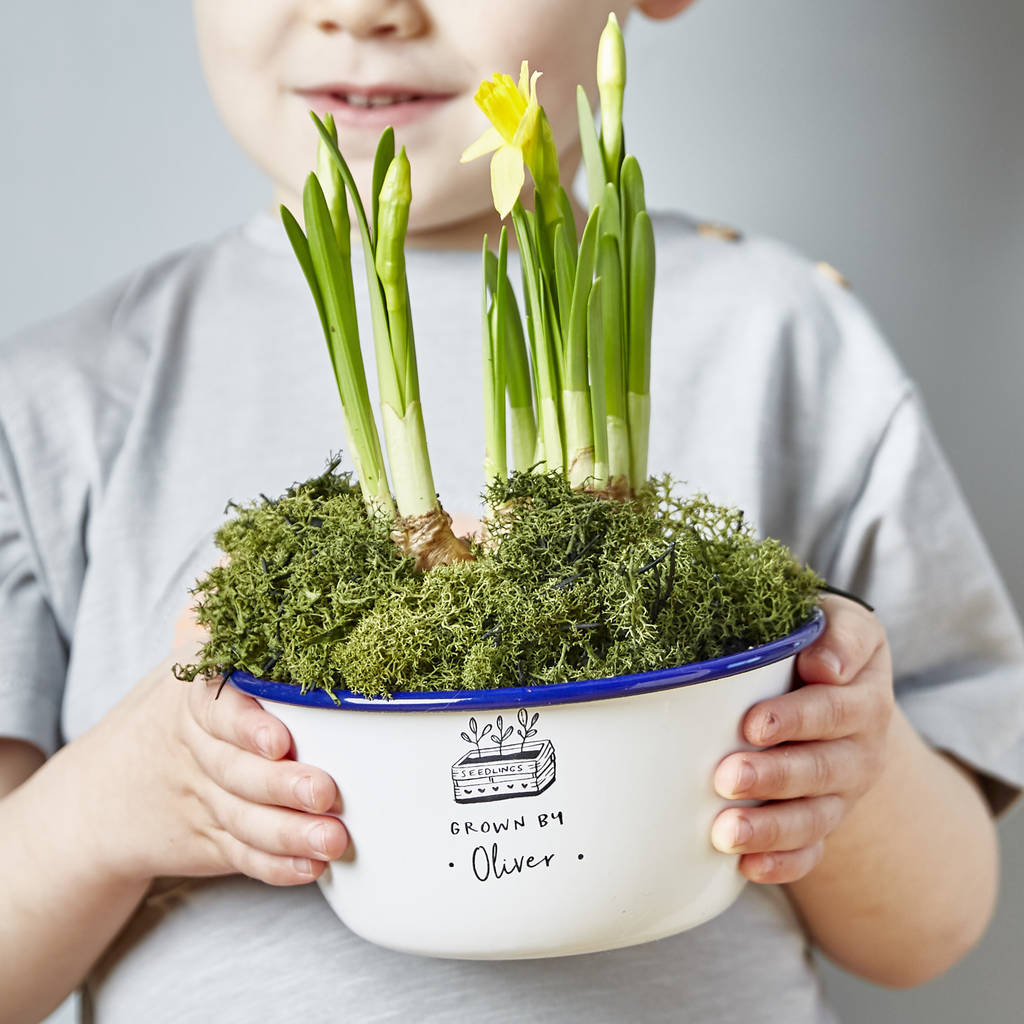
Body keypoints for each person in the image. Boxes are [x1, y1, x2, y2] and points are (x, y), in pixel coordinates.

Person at [1, 1, 1021, 1021]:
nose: (363, 9)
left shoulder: (782, 340)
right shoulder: (64, 402)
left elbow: (930, 927)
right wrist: (109, 801)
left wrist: (848, 758)